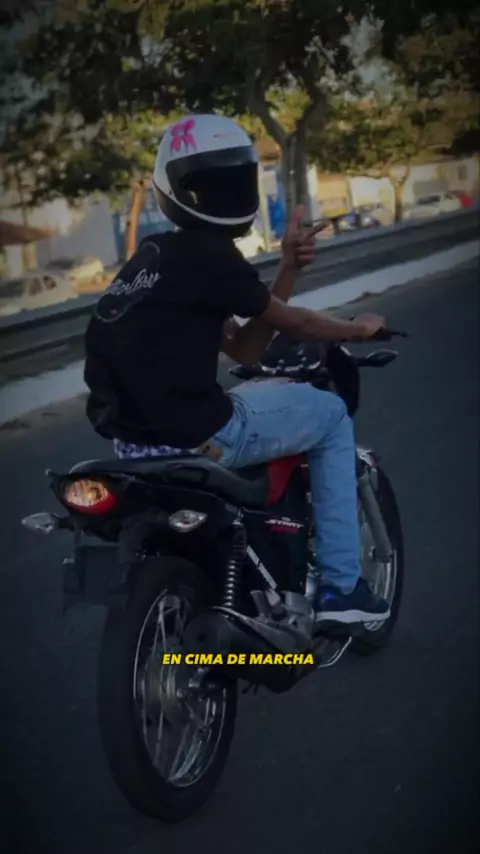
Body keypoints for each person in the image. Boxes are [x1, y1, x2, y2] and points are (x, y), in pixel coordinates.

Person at [84, 113, 390, 625]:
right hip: (201, 436)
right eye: (219, 182)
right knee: (331, 415)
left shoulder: (153, 258)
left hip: (133, 446)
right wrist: (359, 329)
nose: (226, 192)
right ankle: (342, 590)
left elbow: (247, 347)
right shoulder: (211, 255)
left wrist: (288, 267)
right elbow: (293, 323)